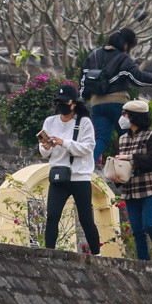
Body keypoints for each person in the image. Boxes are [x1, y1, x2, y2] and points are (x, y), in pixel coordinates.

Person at [80, 28, 152, 164]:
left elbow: (83, 78)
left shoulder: (93, 56)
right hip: (117, 103)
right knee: (126, 136)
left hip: (97, 104)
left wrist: (83, 97)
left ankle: (87, 167)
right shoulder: (123, 58)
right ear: (126, 44)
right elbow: (137, 77)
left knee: (101, 139)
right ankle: (124, 167)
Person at [38, 83, 100, 253]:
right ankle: (48, 252)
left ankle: (97, 254)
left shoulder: (84, 122)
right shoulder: (50, 122)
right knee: (52, 216)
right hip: (59, 175)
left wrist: (63, 142)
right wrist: (46, 146)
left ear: (74, 103)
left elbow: (88, 147)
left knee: (86, 219)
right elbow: (43, 152)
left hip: (80, 176)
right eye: (59, 102)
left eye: (65, 102)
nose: (62, 106)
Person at [114, 99, 152, 262]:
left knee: (149, 224)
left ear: (135, 116)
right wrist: (117, 175)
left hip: (150, 185)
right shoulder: (123, 138)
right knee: (137, 230)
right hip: (131, 187)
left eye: (126, 114)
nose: (122, 117)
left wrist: (130, 158)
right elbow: (122, 163)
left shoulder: (151, 136)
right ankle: (143, 262)